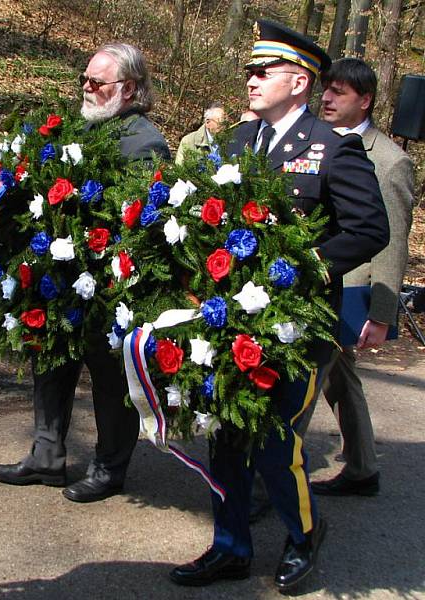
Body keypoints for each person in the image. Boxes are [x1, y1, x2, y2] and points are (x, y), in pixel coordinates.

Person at [169, 20, 389, 592]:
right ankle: (230, 547)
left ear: (298, 81)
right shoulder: (238, 144)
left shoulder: (334, 147)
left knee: (273, 441)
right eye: (249, 71)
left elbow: (369, 229)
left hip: (297, 322)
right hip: (229, 318)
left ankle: (303, 533)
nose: (251, 80)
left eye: (263, 71)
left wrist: (308, 263)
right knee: (227, 435)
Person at [0, 43, 171, 504]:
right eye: (85, 80)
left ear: (129, 89)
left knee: (110, 380)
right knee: (50, 362)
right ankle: (46, 455)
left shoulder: (144, 140)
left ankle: (110, 467)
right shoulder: (77, 128)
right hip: (60, 278)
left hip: (108, 283)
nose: (87, 89)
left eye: (98, 82)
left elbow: (140, 217)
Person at [297, 57, 415, 497]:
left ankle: (274, 478)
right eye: (325, 89)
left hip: (352, 293)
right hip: (323, 287)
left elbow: (391, 240)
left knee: (305, 384)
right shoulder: (317, 144)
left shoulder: (389, 161)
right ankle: (363, 468)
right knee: (339, 380)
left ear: (364, 101)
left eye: (339, 93)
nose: (326, 98)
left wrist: (382, 315)